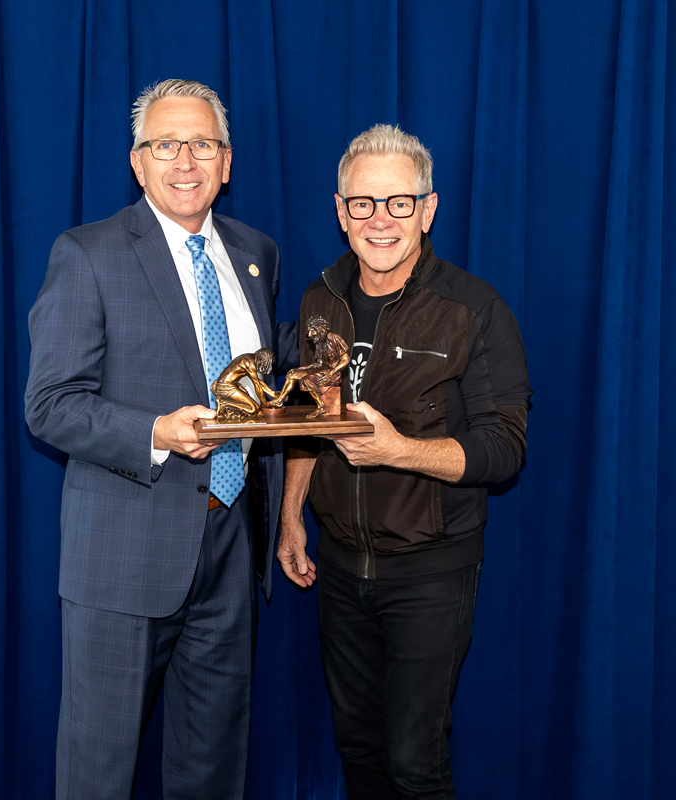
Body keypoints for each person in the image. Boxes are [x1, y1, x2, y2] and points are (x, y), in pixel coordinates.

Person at [25, 79, 294, 800]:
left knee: (212, 771)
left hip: (232, 545)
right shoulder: (88, 255)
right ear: (138, 162)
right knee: (99, 774)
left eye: (202, 144)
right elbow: (49, 406)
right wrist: (156, 432)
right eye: (165, 144)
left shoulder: (255, 254)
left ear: (227, 162)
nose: (185, 160)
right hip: (123, 555)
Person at [277, 124, 531, 799]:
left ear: (429, 208)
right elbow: (312, 419)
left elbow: (504, 449)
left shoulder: (474, 311)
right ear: (340, 211)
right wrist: (291, 516)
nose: (380, 219)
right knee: (357, 749)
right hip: (337, 570)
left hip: (431, 573)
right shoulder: (319, 300)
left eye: (399, 202)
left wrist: (399, 451)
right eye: (363, 203)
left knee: (415, 763)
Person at [274, 315, 350, 418]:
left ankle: (321, 406)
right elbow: (318, 364)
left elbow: (346, 359)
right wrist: (302, 368)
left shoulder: (334, 338)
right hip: (321, 369)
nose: (310, 335)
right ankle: (280, 400)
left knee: (307, 380)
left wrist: (331, 373)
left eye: (312, 331)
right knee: (292, 374)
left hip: (332, 373)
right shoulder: (318, 341)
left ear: (321, 329)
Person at [211, 347, 282, 421]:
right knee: (253, 409)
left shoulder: (250, 358)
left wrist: (272, 393)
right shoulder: (249, 364)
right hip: (225, 387)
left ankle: (225, 403)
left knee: (256, 408)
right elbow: (257, 386)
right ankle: (223, 403)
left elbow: (258, 381)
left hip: (231, 385)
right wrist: (265, 403)